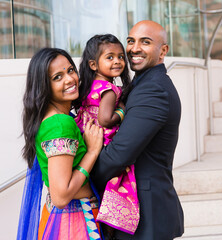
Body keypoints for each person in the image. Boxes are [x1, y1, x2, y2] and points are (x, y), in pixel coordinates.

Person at [91, 20, 184, 240]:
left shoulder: (153, 89)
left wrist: (79, 179)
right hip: (138, 216)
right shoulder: (142, 84)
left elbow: (119, 154)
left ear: (163, 51)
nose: (134, 48)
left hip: (146, 218)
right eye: (131, 41)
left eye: (146, 42)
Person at [17, 47, 104, 240]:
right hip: (76, 223)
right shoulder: (60, 124)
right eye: (57, 77)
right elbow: (61, 196)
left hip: (60, 221)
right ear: (43, 85)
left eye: (70, 70)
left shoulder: (52, 119)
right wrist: (92, 152)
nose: (69, 79)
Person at [73, 34, 139, 235]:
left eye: (120, 57)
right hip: (103, 141)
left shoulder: (90, 85)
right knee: (122, 177)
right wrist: (123, 110)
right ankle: (115, 220)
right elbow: (105, 120)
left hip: (86, 139)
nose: (117, 61)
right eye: (109, 57)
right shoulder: (109, 89)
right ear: (93, 64)